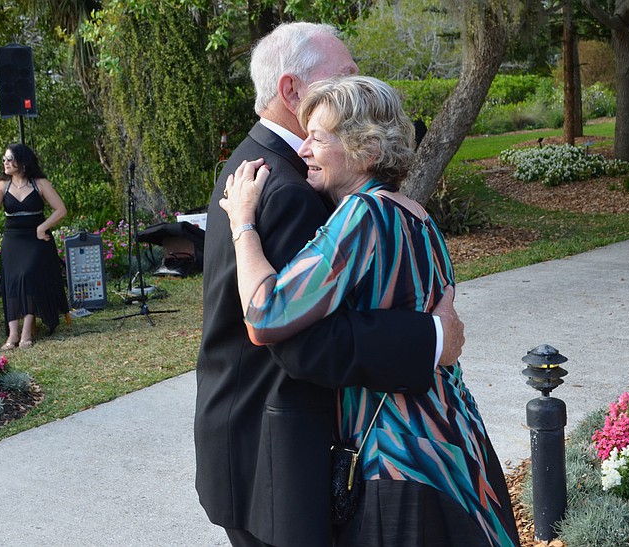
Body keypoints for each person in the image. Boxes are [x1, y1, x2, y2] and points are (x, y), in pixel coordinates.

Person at [195, 22, 466, 547]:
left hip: (254, 442)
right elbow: (301, 342)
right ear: (293, 90)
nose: (355, 80)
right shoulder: (289, 188)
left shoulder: (261, 166)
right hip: (278, 456)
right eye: (343, 73)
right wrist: (432, 339)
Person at [221, 76, 520, 546]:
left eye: (317, 138)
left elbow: (265, 315)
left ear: (367, 151)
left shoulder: (362, 215)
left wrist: (242, 224)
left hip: (399, 458)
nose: (302, 151)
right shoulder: (417, 215)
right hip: (455, 447)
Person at [0, 143, 68, 350]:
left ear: (22, 161)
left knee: (29, 276)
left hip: (36, 239)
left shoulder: (39, 183)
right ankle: (12, 334)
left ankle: (27, 331)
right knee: (12, 280)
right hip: (13, 239)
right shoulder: (3, 186)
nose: (5, 163)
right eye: (4, 159)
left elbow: (60, 209)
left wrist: (43, 227)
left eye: (9, 159)